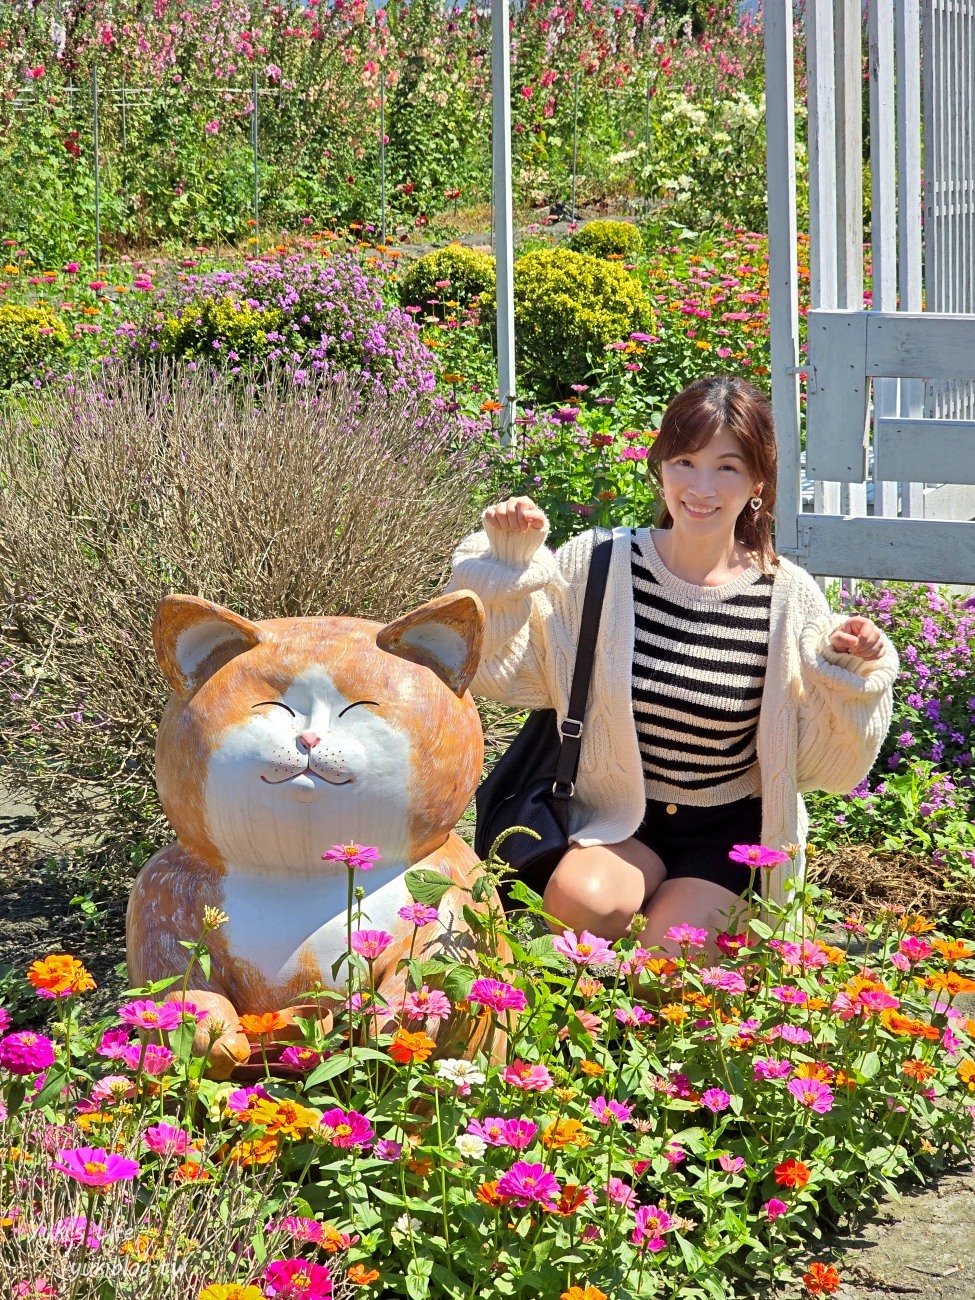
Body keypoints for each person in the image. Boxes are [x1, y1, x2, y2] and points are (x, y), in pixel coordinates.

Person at [446, 376, 899, 960]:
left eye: (727, 468)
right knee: (580, 901)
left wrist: (848, 675)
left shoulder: (786, 597)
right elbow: (511, 678)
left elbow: (832, 770)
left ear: (758, 482)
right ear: (661, 465)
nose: (701, 487)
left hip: (730, 834)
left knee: (671, 956)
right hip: (621, 818)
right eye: (685, 461)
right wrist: (507, 564)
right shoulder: (603, 564)